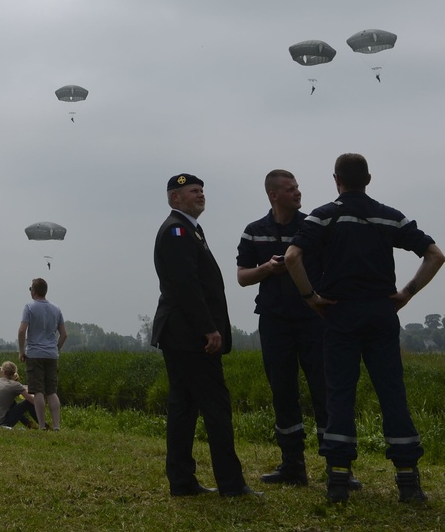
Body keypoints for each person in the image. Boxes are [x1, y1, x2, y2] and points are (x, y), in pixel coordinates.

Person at [285, 153, 445, 503]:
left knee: (340, 393)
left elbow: (292, 257)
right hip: (381, 312)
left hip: (340, 314)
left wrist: (311, 297)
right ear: (368, 179)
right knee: (392, 393)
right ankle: (408, 482)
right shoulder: (389, 216)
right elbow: (435, 255)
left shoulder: (324, 216)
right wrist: (406, 294)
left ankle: (338, 481)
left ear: (336, 179)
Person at [152, 174, 257, 497]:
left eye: (202, 191)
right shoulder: (177, 230)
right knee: (215, 406)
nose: (201, 195)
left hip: (181, 333)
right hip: (189, 335)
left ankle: (182, 481)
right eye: (193, 191)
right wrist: (208, 328)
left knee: (184, 407)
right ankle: (232, 484)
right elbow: (187, 286)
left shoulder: (190, 230)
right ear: (175, 199)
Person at [236, 169, 333, 487]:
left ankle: (337, 467)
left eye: (298, 188)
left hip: (313, 322)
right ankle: (293, 466)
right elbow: (242, 277)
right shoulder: (253, 232)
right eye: (290, 189)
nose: (298, 192)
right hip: (275, 323)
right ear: (273, 195)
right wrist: (267, 268)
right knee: (283, 393)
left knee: (325, 391)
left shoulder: (312, 228)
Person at [18, 277, 67, 431]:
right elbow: (64, 334)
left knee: (38, 390)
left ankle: (41, 425)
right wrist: (55, 349)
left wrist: (21, 351)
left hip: (35, 354)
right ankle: (57, 425)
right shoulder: (56, 308)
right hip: (51, 354)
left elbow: (22, 330)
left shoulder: (29, 307)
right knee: (51, 391)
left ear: (34, 291)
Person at [0, 360, 36, 427]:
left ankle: (29, 423)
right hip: (1, 422)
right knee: (27, 402)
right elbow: (33, 401)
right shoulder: (16, 385)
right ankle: (43, 425)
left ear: (3, 371)